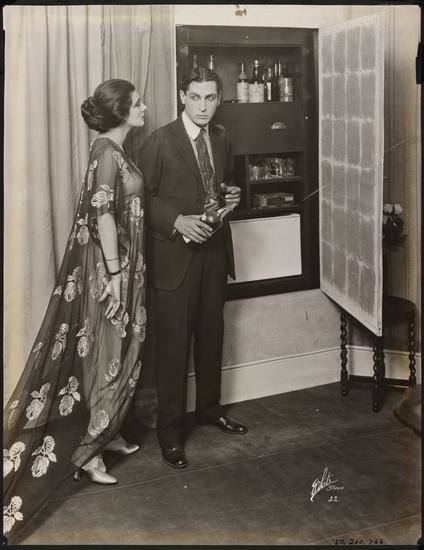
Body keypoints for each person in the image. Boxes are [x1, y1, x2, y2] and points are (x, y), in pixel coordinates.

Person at [3, 79, 147, 544]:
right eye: (137, 103)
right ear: (121, 111)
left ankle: (108, 430)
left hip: (124, 265)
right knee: (109, 352)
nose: (144, 107)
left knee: (121, 347)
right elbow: (103, 215)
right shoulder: (106, 150)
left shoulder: (113, 149)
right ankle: (89, 453)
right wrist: (115, 275)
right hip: (110, 269)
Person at [139, 67, 248, 470]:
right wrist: (176, 221)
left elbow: (221, 186)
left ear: (219, 99)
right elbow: (141, 199)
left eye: (211, 98)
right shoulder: (159, 140)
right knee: (172, 349)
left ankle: (209, 410)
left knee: (211, 336)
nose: (203, 106)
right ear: (182, 96)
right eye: (196, 97)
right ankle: (169, 434)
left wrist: (232, 194)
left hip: (214, 253)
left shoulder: (221, 137)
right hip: (175, 259)